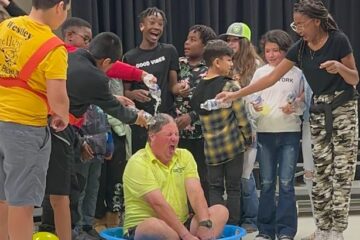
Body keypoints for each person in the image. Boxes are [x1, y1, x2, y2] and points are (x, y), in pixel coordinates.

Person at [216, 1, 359, 239]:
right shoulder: (300, 48)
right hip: (319, 111)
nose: (298, 29)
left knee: (341, 172)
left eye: (302, 24)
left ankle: (337, 229)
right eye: (295, 24)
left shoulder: (338, 40)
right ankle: (323, 228)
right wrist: (235, 93)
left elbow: (354, 78)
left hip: (343, 108)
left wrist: (338, 67)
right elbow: (270, 78)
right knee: (322, 173)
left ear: (316, 21)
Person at [44, 32, 147, 240]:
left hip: (53, 125)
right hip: (59, 127)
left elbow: (83, 92)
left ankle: (52, 229)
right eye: (111, 66)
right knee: (65, 189)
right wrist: (138, 118)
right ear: (106, 61)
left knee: (57, 186)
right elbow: (116, 111)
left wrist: (115, 97)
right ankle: (63, 233)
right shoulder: (96, 77)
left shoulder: (73, 56)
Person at [0, 0, 70, 239]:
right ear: (60, 6)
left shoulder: (6, 26)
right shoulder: (53, 46)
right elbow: (58, 98)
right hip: (24, 128)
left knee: (2, 197)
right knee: (22, 201)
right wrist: (62, 117)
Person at [123, 113, 229, 240]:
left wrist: (204, 223)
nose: (174, 138)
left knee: (220, 211)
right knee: (153, 226)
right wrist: (185, 235)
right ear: (152, 136)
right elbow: (158, 204)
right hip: (144, 227)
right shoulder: (138, 162)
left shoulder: (184, 156)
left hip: (182, 224)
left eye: (176, 134)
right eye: (169, 134)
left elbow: (195, 193)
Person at [251, 29, 304, 240]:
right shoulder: (260, 73)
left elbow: (304, 102)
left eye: (276, 50)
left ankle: (286, 231)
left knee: (286, 184)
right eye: (267, 51)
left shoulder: (296, 73)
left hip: (290, 133)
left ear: (286, 51)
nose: (272, 55)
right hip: (265, 133)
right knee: (265, 183)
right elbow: (250, 98)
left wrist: (296, 107)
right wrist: (254, 106)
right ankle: (265, 231)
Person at [191, 39, 252, 225]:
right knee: (233, 188)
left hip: (210, 150)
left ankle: (217, 228)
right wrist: (248, 138)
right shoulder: (230, 86)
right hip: (232, 146)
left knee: (214, 188)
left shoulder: (198, 89)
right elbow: (241, 117)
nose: (232, 64)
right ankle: (233, 229)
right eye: (229, 60)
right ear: (217, 62)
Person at [123, 7, 189, 153]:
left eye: (160, 24)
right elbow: (125, 93)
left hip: (166, 118)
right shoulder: (130, 57)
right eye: (152, 22)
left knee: (168, 160)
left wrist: (182, 89)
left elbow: (173, 86)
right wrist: (133, 94)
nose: (156, 27)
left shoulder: (169, 50)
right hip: (141, 122)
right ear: (142, 26)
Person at [219, 21, 262, 233]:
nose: (231, 43)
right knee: (235, 178)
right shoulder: (226, 64)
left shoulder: (256, 65)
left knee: (246, 176)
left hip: (249, 125)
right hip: (229, 127)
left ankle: (252, 219)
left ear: (244, 42)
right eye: (228, 39)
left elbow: (257, 98)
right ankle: (239, 217)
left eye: (235, 39)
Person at [175, 24, 217, 203]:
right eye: (187, 38)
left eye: (193, 40)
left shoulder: (211, 67)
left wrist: (192, 116)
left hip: (202, 135)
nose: (187, 43)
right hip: (177, 133)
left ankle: (202, 216)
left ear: (205, 46)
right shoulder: (177, 64)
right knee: (178, 177)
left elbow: (215, 101)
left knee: (202, 177)